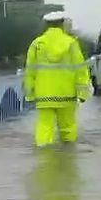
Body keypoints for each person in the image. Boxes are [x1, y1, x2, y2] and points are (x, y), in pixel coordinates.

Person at [24, 11, 90, 147]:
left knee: (44, 128)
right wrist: (83, 94)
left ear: (46, 25)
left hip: (44, 96)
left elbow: (30, 71)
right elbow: (81, 69)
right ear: (62, 24)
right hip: (67, 94)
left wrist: (30, 94)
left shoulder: (37, 44)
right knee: (68, 129)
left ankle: (44, 156)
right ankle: (69, 154)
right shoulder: (71, 43)